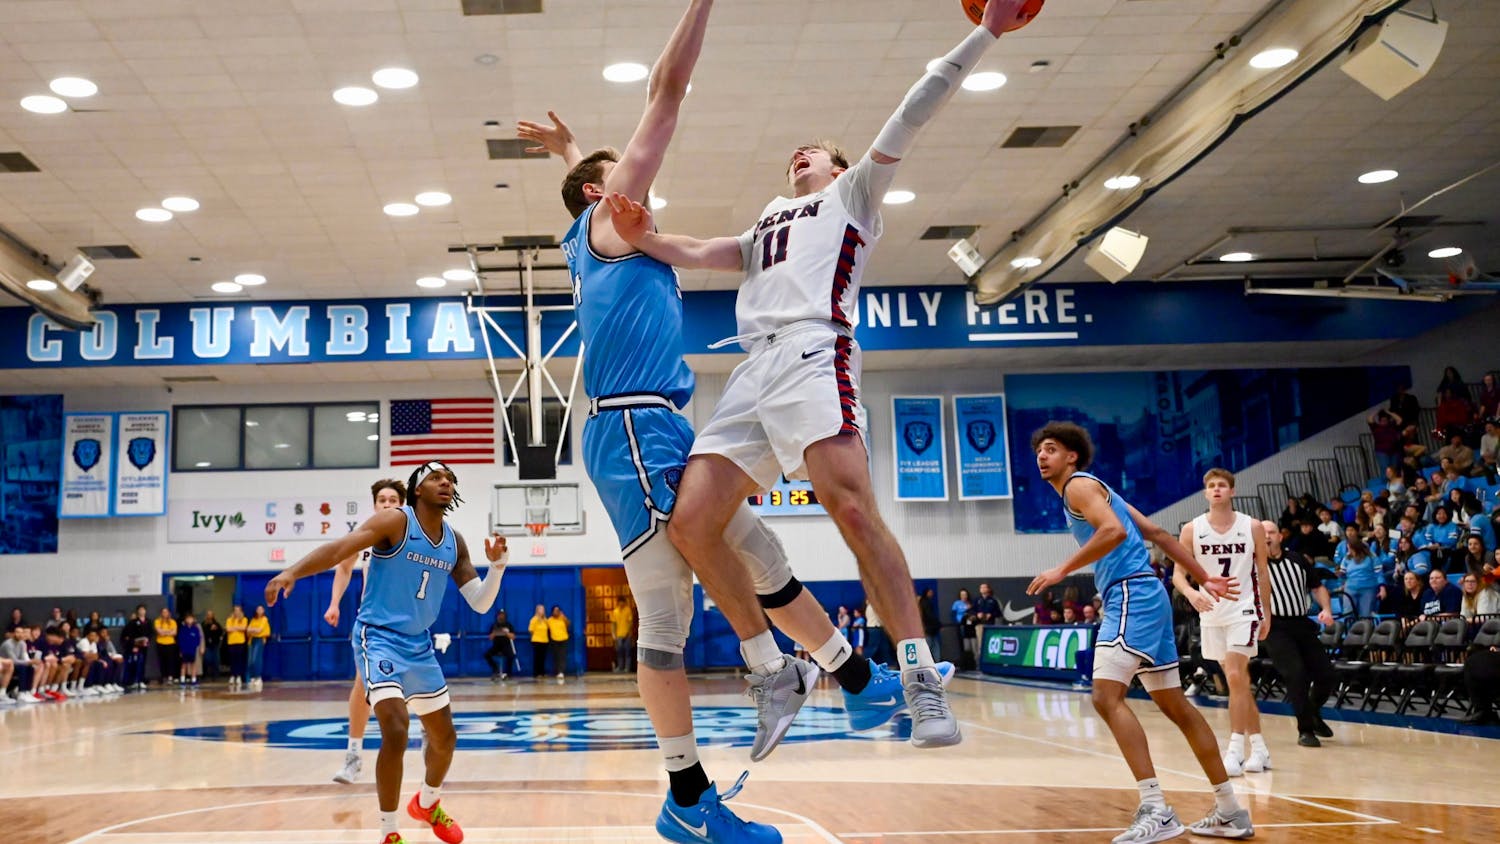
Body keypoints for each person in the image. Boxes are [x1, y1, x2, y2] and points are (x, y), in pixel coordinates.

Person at [604, 0, 1046, 753]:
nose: (797, 159)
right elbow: (704, 249)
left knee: (850, 509)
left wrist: (985, 34)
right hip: (754, 372)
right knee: (690, 522)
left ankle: (920, 679)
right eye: (793, 157)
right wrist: (646, 236)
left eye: (811, 154)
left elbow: (911, 113)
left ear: (838, 169)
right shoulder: (767, 222)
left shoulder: (852, 197)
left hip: (816, 352)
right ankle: (774, 667)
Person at [1026, 422, 1251, 840]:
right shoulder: (1099, 488)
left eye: (1051, 449)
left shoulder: (1078, 486)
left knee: (1104, 696)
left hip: (1131, 594)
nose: (1042, 456)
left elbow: (1112, 532)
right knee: (1177, 708)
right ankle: (1230, 810)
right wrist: (1203, 577)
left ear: (1072, 456)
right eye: (1039, 451)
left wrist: (1062, 569)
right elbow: (1158, 533)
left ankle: (1155, 807)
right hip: (1148, 594)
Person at [266, 460, 507, 844]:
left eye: (450, 479)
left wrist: (497, 567)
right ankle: (389, 832)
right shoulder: (395, 521)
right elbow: (340, 549)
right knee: (395, 727)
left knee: (445, 738)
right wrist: (292, 571)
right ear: (417, 488)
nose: (445, 483)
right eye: (436, 478)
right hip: (377, 636)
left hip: (419, 645)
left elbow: (479, 603)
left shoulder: (454, 541)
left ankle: (428, 803)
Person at [1174, 468, 1272, 778]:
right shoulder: (1192, 530)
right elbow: (1178, 574)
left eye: (1222, 485)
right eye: (1211, 486)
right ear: (1205, 493)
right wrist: (1191, 594)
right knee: (1238, 680)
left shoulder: (1252, 526)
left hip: (1244, 608)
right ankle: (1259, 747)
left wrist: (1266, 612)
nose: (1216, 490)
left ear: (1231, 491)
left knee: (1233, 673)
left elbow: (1263, 572)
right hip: (1211, 613)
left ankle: (1234, 750)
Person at [328, 478, 409, 785]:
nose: (387, 504)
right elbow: (343, 566)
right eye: (382, 500)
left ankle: (430, 742)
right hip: (374, 624)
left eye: (393, 500)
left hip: (408, 622)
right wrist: (335, 602)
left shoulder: (414, 537)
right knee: (363, 686)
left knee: (415, 689)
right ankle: (353, 755)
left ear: (402, 505)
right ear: (375, 505)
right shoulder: (363, 537)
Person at [1259, 520, 1337, 748]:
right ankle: (1305, 729)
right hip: (1275, 627)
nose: (1267, 536)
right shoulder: (1254, 564)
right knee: (1296, 674)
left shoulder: (1297, 559)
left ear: (1280, 536)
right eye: (1262, 533)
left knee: (1327, 675)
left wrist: (1326, 609)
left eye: (1271, 532)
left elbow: (1317, 587)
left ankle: (1312, 712)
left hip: (1302, 623)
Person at [1335, 525, 1382, 619]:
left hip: (1368, 588)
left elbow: (1379, 573)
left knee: (1366, 615)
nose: (1348, 550)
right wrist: (1341, 578)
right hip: (1350, 589)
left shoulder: (1371, 557)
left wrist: (1382, 588)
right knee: (1348, 614)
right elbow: (1342, 574)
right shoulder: (1347, 558)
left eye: (1350, 548)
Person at [122, 604, 151, 691]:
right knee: (136, 663)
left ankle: (141, 680)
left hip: (144, 646)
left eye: (143, 610)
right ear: (138, 611)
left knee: (143, 663)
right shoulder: (133, 622)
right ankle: (134, 681)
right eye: (140, 610)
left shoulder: (148, 621)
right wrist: (134, 645)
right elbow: (131, 635)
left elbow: (150, 633)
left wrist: (147, 640)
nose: (142, 611)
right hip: (136, 646)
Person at [484, 610, 518, 681]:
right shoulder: (494, 625)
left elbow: (513, 637)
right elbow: (490, 637)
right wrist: (494, 633)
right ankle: (495, 668)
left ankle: (508, 673)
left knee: (511, 656)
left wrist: (506, 633)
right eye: (500, 615)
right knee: (486, 655)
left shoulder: (509, 625)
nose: (501, 616)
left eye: (502, 615)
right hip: (496, 646)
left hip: (506, 646)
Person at [246, 606, 271, 691]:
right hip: (251, 640)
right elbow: (248, 630)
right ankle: (252, 677)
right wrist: (253, 630)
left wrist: (252, 630)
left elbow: (259, 630)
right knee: (250, 660)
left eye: (261, 609)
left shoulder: (264, 619)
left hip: (259, 640)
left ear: (263, 611)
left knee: (256, 659)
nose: (259, 610)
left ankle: (258, 677)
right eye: (258, 609)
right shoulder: (253, 620)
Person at [225, 606, 249, 689]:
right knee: (232, 660)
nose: (236, 612)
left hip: (240, 642)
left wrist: (234, 628)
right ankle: (232, 675)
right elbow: (228, 629)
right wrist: (236, 628)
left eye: (238, 610)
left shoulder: (244, 619)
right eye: (235, 610)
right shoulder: (229, 620)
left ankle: (238, 676)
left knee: (239, 659)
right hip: (231, 642)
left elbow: (243, 628)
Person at [154, 607, 179, 686]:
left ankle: (170, 678)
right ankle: (163, 677)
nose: (165, 613)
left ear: (168, 613)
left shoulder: (173, 622)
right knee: (162, 661)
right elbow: (159, 632)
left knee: (170, 661)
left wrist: (164, 631)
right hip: (160, 643)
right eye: (163, 612)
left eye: (166, 612)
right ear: (161, 613)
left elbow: (174, 633)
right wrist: (169, 631)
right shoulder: (157, 621)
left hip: (170, 643)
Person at [609, 598, 635, 674]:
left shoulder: (628, 610)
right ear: (618, 602)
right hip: (618, 635)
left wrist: (628, 633)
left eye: (622, 602)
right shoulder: (615, 611)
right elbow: (613, 624)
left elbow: (630, 622)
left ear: (625, 602)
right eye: (620, 602)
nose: (621, 604)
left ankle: (627, 668)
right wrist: (613, 635)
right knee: (619, 652)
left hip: (627, 635)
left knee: (627, 652)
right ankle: (620, 667)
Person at [178, 612, 203, 687]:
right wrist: (181, 649)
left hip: (192, 649)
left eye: (191, 618)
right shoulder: (183, 629)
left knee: (193, 665)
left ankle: (193, 679)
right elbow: (180, 639)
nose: (189, 620)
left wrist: (196, 645)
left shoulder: (195, 629)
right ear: (185, 620)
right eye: (188, 618)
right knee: (184, 665)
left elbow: (198, 638)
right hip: (184, 649)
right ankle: (182, 680)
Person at [546, 605, 571, 680]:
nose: (556, 612)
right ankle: (557, 671)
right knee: (556, 656)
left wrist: (564, 617)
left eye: (558, 610)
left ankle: (561, 672)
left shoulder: (562, 618)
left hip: (563, 639)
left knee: (562, 656)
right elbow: (546, 629)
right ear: (552, 612)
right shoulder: (549, 620)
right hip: (554, 640)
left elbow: (568, 624)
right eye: (555, 610)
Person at [919, 588, 941, 661]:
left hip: (927, 628)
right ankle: (934, 661)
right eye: (930, 592)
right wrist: (937, 623)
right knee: (931, 646)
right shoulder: (926, 603)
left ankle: (931, 661)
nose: (932, 593)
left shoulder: (922, 603)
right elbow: (929, 615)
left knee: (932, 645)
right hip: (929, 628)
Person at [527, 604, 549, 679]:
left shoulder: (545, 620)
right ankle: (537, 673)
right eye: (540, 609)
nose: (542, 611)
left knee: (543, 657)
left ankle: (542, 672)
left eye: (543, 609)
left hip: (544, 640)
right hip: (537, 640)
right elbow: (531, 630)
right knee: (537, 657)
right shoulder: (534, 619)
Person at [201, 610, 223, 682]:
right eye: (208, 615)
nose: (209, 616)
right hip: (207, 645)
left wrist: (216, 629)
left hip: (215, 645)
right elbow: (202, 634)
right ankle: (204, 675)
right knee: (206, 660)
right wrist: (210, 630)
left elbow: (220, 632)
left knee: (216, 660)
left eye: (211, 615)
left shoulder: (217, 624)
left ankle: (215, 676)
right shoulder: (203, 624)